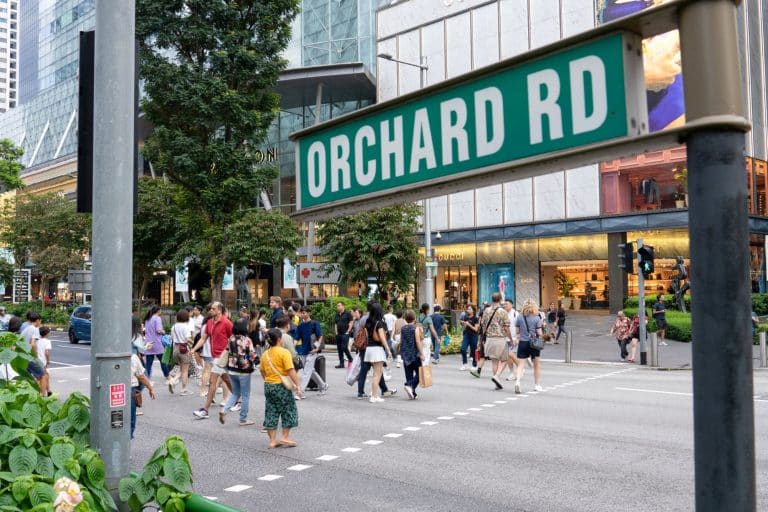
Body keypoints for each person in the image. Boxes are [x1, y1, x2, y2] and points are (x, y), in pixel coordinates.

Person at [260, 328, 303, 448]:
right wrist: (298, 386)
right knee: (289, 410)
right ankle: (285, 437)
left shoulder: (265, 354)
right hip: (281, 386)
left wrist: (268, 381)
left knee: (271, 411)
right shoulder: (284, 352)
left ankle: (272, 441)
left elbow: (262, 371)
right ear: (279, 339)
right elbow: (290, 370)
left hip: (268, 386)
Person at [192, 302, 233, 419]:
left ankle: (205, 410)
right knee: (226, 379)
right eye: (210, 309)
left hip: (222, 356)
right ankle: (238, 398)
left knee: (212, 381)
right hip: (214, 356)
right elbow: (203, 338)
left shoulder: (227, 323)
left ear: (219, 310)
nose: (210, 310)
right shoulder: (210, 322)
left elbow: (233, 338)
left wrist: (228, 351)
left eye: (213, 309)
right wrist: (194, 349)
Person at [219, 318, 258, 426]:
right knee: (245, 395)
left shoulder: (231, 339)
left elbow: (228, 351)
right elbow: (252, 354)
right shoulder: (247, 340)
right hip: (244, 370)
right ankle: (243, 419)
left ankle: (224, 410)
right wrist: (258, 362)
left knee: (236, 393)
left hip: (232, 370)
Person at [478, 293, 511, 390]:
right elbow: (506, 327)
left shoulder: (486, 310)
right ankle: (497, 376)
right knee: (505, 359)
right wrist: (511, 338)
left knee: (494, 361)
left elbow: (482, 324)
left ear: (492, 299)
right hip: (500, 338)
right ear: (500, 300)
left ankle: (496, 383)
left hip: (489, 338)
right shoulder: (503, 311)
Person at [364, 302, 395, 403]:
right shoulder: (379, 323)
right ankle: (374, 396)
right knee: (377, 374)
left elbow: (366, 336)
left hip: (369, 348)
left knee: (377, 373)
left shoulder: (368, 322)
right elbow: (382, 338)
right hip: (377, 349)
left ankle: (374, 394)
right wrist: (388, 349)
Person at [514, 299, 545, 394]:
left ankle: (518, 381)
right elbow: (539, 333)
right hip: (533, 343)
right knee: (536, 365)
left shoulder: (519, 317)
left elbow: (517, 332)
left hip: (523, 342)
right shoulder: (536, 318)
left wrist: (518, 338)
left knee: (521, 364)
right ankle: (537, 385)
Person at [295, 306, 328, 393]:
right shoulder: (300, 325)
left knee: (306, 371)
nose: (302, 314)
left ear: (309, 313)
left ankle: (301, 392)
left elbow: (320, 336)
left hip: (312, 351)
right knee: (311, 371)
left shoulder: (314, 323)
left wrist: (317, 348)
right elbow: (296, 338)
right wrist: (292, 348)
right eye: (301, 313)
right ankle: (323, 385)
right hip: (303, 351)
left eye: (304, 313)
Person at [143, 306, 172, 386]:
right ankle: (168, 378)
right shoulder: (157, 318)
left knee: (148, 363)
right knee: (163, 361)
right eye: (160, 310)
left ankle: (147, 380)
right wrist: (163, 331)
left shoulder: (147, 319)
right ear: (158, 311)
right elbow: (158, 330)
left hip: (148, 343)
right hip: (157, 343)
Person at [130, 351, 156, 439]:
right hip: (130, 389)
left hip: (112, 390)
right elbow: (141, 376)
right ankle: (127, 440)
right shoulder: (132, 357)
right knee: (130, 420)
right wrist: (150, 388)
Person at [399, 309, 424, 399]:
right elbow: (418, 341)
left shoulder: (403, 329)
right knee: (420, 374)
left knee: (408, 374)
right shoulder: (415, 328)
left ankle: (412, 393)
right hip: (414, 354)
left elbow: (401, 341)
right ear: (414, 318)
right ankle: (409, 385)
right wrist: (422, 353)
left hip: (405, 354)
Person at [170, 309, 193, 395]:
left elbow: (171, 338)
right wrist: (193, 343)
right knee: (185, 370)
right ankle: (184, 389)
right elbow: (188, 339)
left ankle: (173, 380)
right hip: (183, 349)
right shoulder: (185, 327)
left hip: (175, 348)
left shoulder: (174, 327)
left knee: (182, 369)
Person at [333, 302, 354, 368]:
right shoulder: (336, 314)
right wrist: (336, 332)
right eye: (337, 306)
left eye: (339, 305)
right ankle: (341, 363)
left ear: (343, 306)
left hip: (345, 334)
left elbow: (351, 322)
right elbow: (336, 324)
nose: (337, 307)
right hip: (338, 334)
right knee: (339, 349)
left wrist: (348, 331)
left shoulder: (348, 314)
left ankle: (350, 358)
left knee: (344, 347)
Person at [459, 304, 479, 371]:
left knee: (473, 351)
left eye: (470, 309)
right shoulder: (465, 317)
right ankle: (465, 364)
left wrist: (469, 324)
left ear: (473, 310)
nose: (468, 310)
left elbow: (476, 329)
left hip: (474, 335)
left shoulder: (476, 318)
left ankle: (474, 365)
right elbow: (465, 327)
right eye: (467, 309)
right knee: (463, 349)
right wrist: (463, 324)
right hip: (466, 335)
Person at [35, 326, 52, 396]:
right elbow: (46, 352)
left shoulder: (37, 341)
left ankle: (48, 391)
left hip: (37, 360)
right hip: (43, 362)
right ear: (47, 333)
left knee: (45, 375)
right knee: (41, 378)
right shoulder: (47, 341)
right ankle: (40, 394)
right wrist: (48, 361)